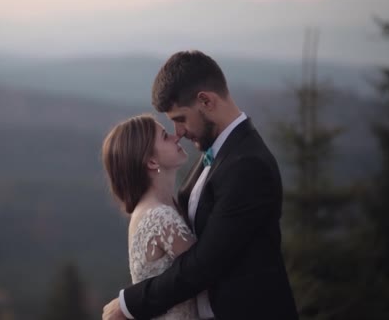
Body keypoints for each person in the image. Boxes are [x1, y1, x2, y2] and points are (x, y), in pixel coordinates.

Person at [103, 50, 298, 320]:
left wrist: (129, 304)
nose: (178, 132)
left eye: (180, 119)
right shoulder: (217, 154)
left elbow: (204, 264)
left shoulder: (247, 165)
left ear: (205, 101)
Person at [102, 114, 199, 319]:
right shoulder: (160, 217)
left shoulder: (153, 208)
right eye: (165, 136)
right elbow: (203, 270)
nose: (176, 137)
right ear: (152, 161)